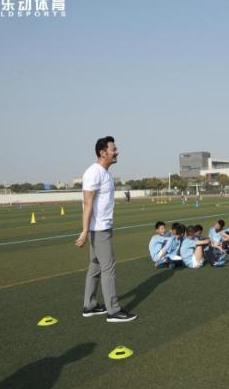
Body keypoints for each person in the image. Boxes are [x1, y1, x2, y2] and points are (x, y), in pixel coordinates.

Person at [75, 136, 136, 322]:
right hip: (98, 229)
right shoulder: (93, 173)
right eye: (113, 149)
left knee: (95, 267)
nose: (117, 151)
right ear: (103, 152)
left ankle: (90, 305)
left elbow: (103, 201)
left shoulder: (106, 173)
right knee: (108, 267)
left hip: (103, 227)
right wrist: (85, 230)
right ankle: (113, 311)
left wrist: (121, 201)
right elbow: (87, 203)